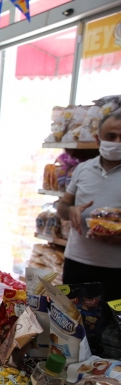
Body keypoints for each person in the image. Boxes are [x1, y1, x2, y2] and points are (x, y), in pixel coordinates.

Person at [57, 110, 121, 301]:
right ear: (98, 139)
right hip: (77, 263)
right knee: (72, 316)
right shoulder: (82, 169)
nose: (117, 142)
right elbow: (63, 206)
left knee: (111, 320)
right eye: (111, 136)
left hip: (116, 269)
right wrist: (71, 210)